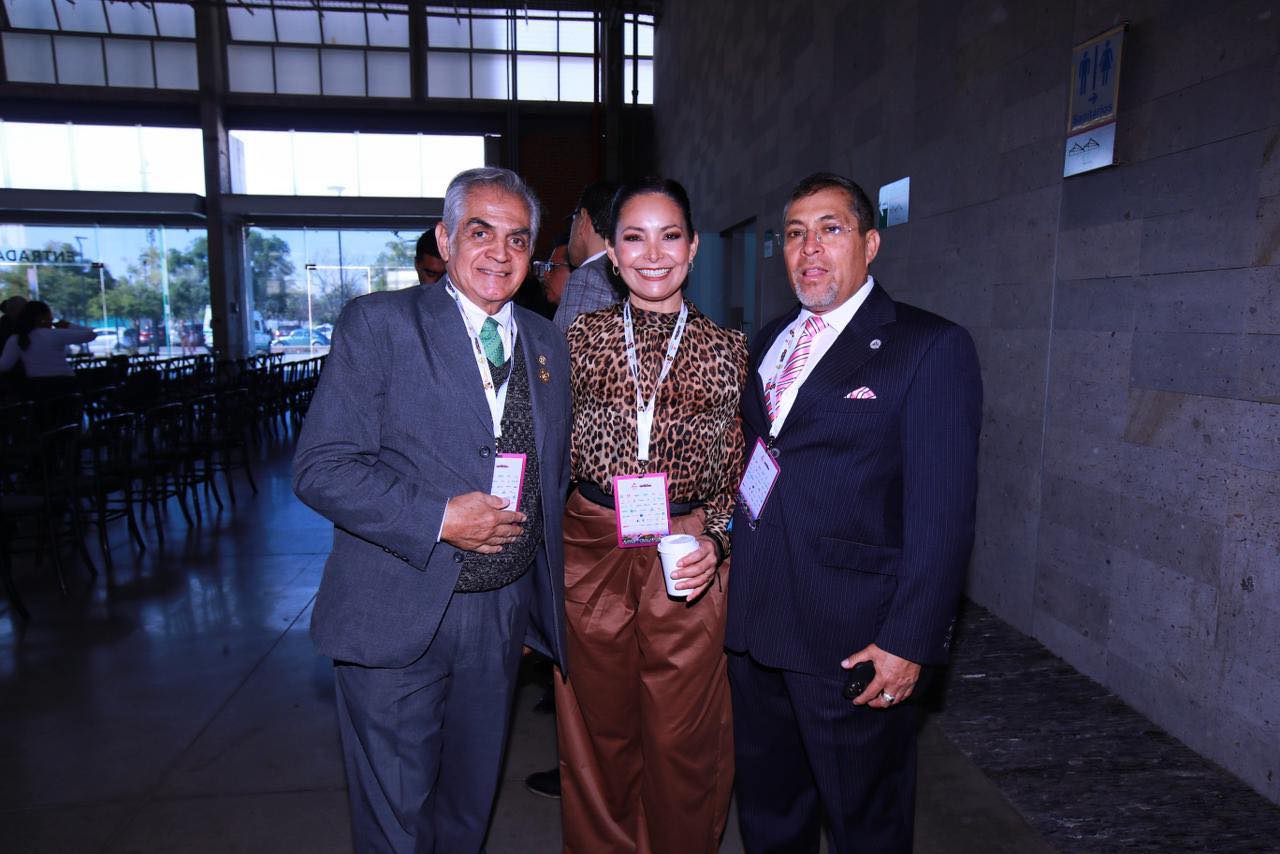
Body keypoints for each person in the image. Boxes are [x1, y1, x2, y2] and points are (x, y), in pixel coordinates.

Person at [293, 167, 572, 854]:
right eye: (480, 232)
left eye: (517, 239)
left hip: (500, 613)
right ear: (446, 242)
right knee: (398, 819)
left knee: (468, 804)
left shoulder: (546, 343)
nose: (500, 253)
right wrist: (440, 518)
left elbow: (551, 476)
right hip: (396, 606)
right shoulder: (379, 325)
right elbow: (321, 467)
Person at [725, 172, 983, 853]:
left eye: (830, 229)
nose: (809, 248)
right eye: (795, 233)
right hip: (755, 629)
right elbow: (761, 465)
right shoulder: (772, 337)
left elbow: (943, 516)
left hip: (852, 639)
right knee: (769, 817)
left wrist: (909, 642)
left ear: (870, 244)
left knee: (865, 826)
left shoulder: (928, 347)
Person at [555, 177, 745, 853]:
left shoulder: (728, 350)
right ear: (611, 252)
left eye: (670, 237)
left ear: (693, 248)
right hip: (590, 543)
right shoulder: (576, 340)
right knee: (598, 725)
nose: (653, 254)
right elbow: (543, 452)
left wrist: (718, 541)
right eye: (634, 238)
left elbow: (740, 472)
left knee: (683, 730)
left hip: (685, 548)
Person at [552, 180, 619, 332]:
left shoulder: (588, 278)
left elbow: (568, 345)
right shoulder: (628, 273)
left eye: (572, 220)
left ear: (583, 219)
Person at [0, 300, 96, 384]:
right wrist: (69, 325)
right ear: (45, 317)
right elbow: (90, 335)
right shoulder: (54, 334)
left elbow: (4, 366)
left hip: (37, 385)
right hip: (65, 382)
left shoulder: (16, 339)